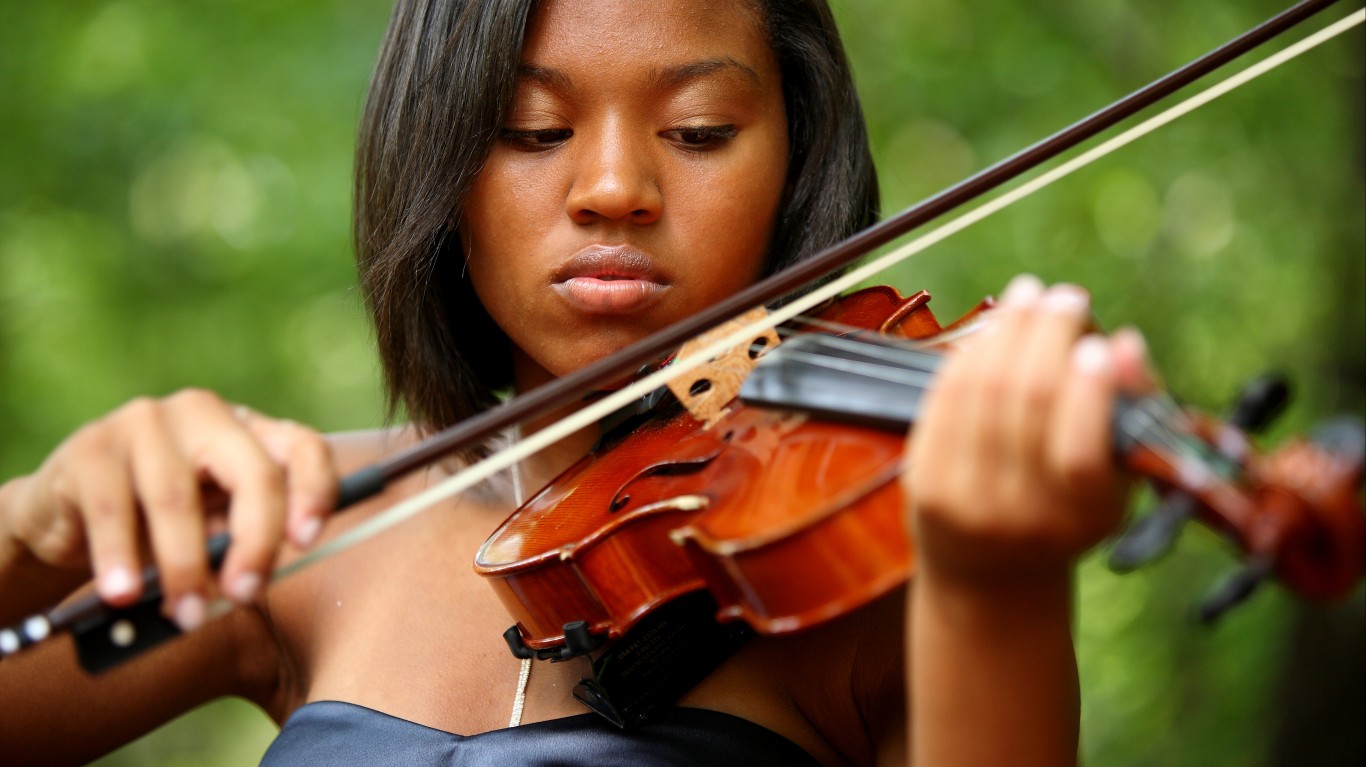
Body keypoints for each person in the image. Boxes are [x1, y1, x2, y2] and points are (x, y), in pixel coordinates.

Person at [0, 0, 1151, 764]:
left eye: (699, 131)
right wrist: (30, 534)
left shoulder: (861, 591)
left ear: (795, 159)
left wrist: (995, 587)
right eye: (530, 127)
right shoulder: (302, 529)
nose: (613, 188)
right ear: (438, 158)